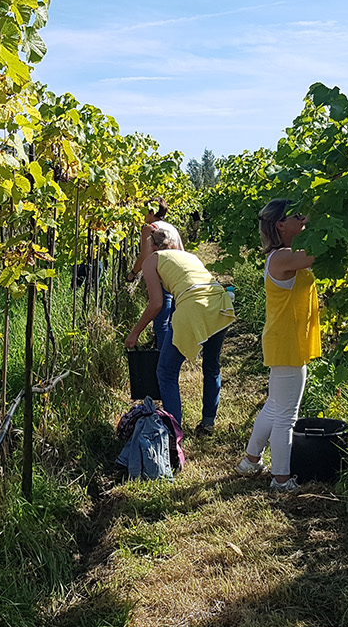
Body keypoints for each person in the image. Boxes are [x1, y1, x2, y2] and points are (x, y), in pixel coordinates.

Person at [237, 199, 322, 492]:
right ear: (281, 225)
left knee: (275, 406)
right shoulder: (284, 257)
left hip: (282, 338)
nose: (305, 220)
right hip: (288, 342)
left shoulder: (280, 256)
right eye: (298, 216)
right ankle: (281, 479)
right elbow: (321, 252)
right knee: (287, 413)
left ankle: (251, 461)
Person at [124, 229, 234, 435]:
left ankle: (174, 433)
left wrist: (135, 332)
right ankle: (208, 423)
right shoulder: (188, 256)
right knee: (211, 366)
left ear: (153, 247)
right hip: (219, 302)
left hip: (194, 306)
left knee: (166, 372)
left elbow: (156, 304)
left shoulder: (151, 261)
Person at [127, 197, 183, 351]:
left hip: (162, 277)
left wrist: (132, 273)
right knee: (172, 320)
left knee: (161, 322)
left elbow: (144, 257)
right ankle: (174, 351)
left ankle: (163, 357)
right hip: (178, 278)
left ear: (152, 211)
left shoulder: (150, 228)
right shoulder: (171, 228)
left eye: (145, 210)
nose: (142, 214)